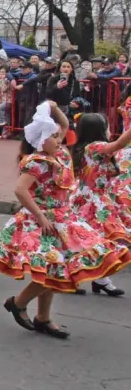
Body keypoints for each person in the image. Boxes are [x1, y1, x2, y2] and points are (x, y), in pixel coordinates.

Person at [0, 102, 131, 339]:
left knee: (54, 268)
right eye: (53, 137)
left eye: (59, 136)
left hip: (64, 218)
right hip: (44, 221)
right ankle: (18, 302)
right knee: (54, 270)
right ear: (40, 141)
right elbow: (20, 190)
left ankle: (43, 317)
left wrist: (54, 109)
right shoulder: (37, 161)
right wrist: (39, 215)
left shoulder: (63, 154)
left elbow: (65, 125)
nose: (59, 139)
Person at [68, 113, 131, 296]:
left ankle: (100, 279)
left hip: (97, 198)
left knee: (98, 240)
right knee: (96, 240)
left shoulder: (87, 147)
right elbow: (119, 144)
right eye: (107, 126)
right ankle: (82, 277)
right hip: (92, 202)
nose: (110, 129)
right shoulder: (95, 147)